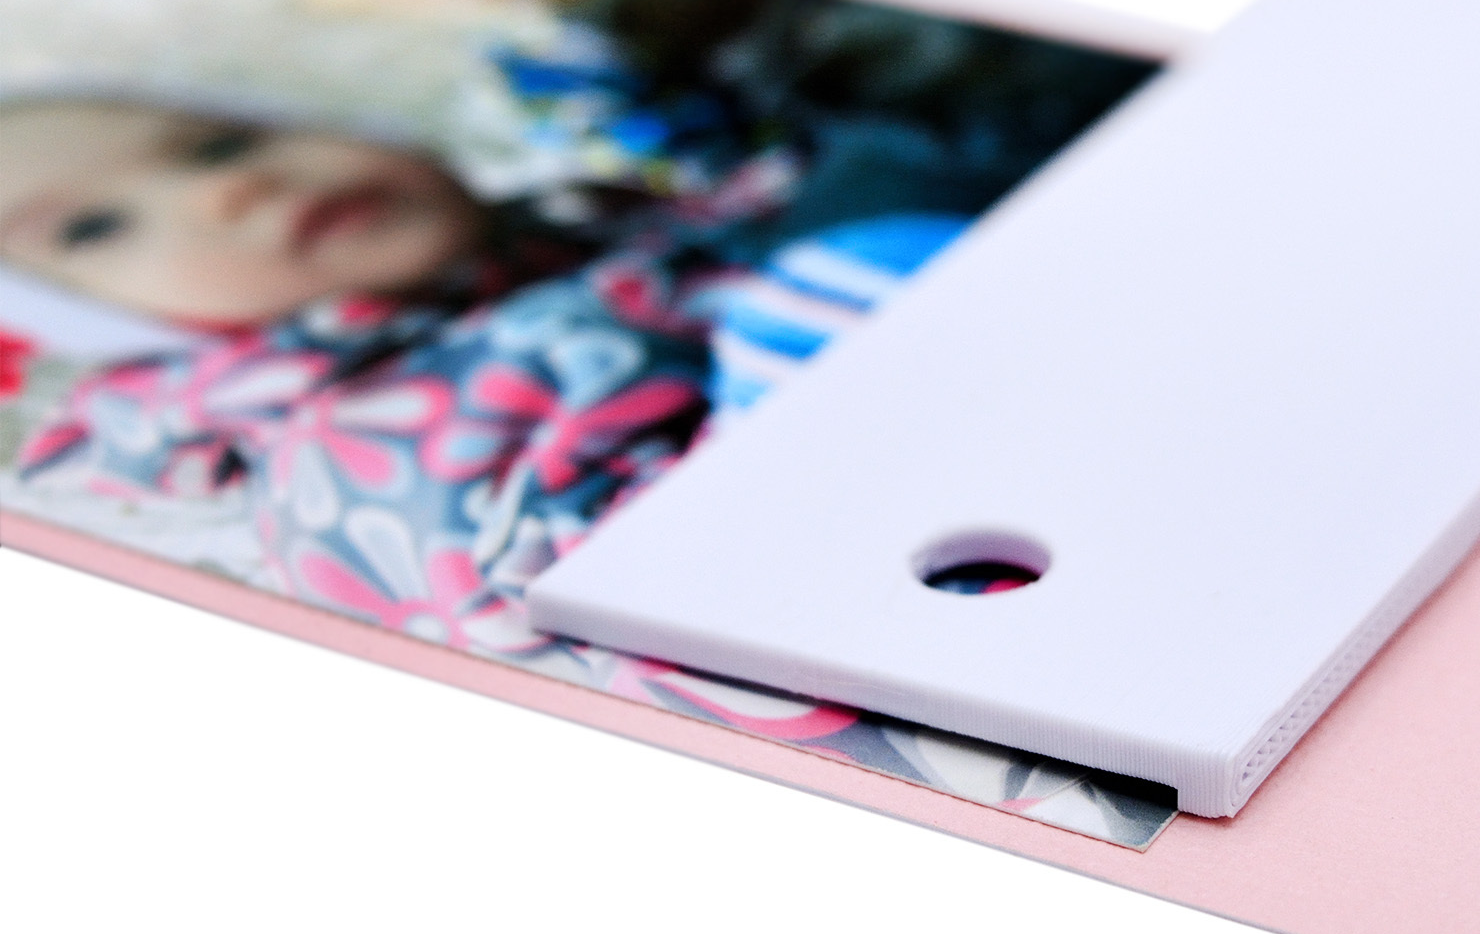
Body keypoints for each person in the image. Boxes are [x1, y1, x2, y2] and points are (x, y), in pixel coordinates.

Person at [0, 95, 961, 696]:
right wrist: (792, 353)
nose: (232, 189)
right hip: (839, 608)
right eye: (95, 229)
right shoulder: (342, 452)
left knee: (889, 167)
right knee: (849, 264)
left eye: (218, 141)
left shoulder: (583, 234)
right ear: (99, 331)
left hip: (908, 453)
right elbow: (613, 620)